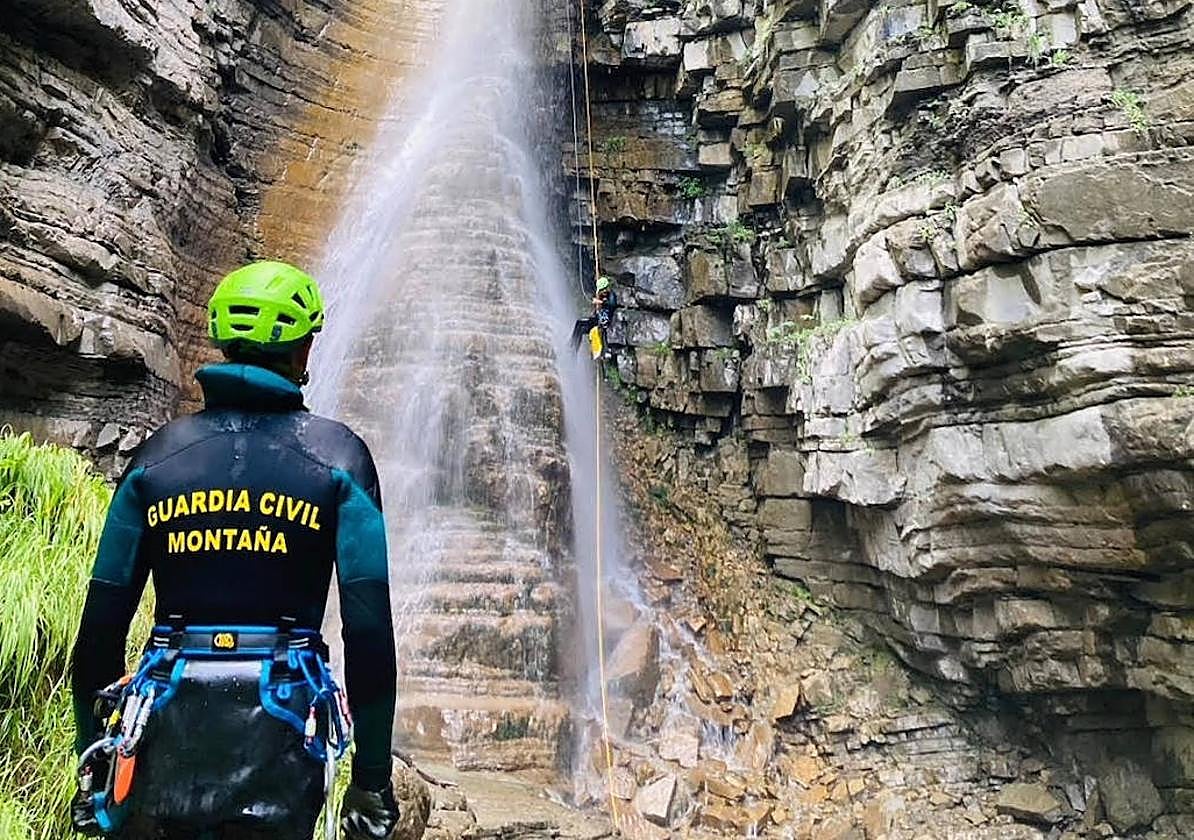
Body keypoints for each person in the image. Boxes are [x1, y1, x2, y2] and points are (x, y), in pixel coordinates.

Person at [70, 261, 400, 840]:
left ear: (222, 340)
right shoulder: (340, 458)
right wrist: (371, 777)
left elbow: (99, 630)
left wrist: (92, 762)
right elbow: (368, 629)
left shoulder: (154, 457)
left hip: (166, 716)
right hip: (279, 721)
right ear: (301, 352)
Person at [570, 275, 619, 355]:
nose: (602, 292)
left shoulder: (611, 296)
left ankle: (574, 350)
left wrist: (600, 302)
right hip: (597, 319)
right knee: (579, 323)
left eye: (602, 290)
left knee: (582, 329)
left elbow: (611, 304)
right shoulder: (603, 296)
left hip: (601, 323)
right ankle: (572, 344)